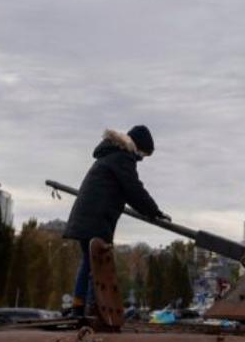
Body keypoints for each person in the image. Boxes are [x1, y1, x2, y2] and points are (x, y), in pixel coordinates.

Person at [63, 125, 168, 317]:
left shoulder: (110, 155)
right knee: (97, 265)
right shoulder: (122, 157)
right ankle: (92, 310)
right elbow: (134, 189)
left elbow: (128, 191)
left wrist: (151, 211)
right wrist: (155, 212)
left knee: (88, 261)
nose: (142, 158)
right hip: (97, 218)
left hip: (86, 216)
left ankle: (78, 307)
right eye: (143, 154)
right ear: (138, 146)